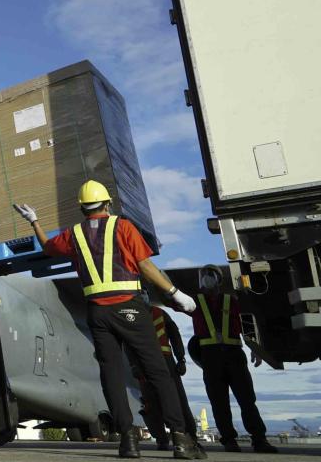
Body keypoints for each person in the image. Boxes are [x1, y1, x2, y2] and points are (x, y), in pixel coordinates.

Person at [14, 180, 202, 459]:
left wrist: (35, 221)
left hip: (98, 313)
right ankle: (180, 439)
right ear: (107, 203)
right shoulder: (123, 227)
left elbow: (48, 247)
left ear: (81, 208)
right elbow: (145, 265)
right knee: (158, 373)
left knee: (111, 374)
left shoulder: (74, 234)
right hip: (129, 307)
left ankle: (128, 441)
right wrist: (174, 292)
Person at [192, 264, 277, 454]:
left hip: (234, 355)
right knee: (218, 401)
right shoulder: (194, 302)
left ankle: (259, 439)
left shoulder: (232, 300)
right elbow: (170, 298)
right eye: (204, 274)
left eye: (211, 274)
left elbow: (248, 322)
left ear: (220, 279)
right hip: (210, 358)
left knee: (247, 399)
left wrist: (257, 348)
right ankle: (229, 440)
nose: (208, 277)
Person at [136, 299, 202, 456]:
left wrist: (180, 358)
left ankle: (188, 436)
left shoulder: (159, 314)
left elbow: (174, 335)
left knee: (177, 399)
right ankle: (162, 438)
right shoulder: (136, 315)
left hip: (166, 361)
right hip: (146, 362)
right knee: (151, 402)